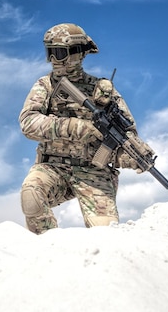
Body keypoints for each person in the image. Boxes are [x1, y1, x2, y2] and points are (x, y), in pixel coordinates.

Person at [18, 23, 145, 234]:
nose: (53, 61)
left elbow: (127, 133)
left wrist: (128, 155)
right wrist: (76, 127)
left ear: (78, 53)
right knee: (31, 194)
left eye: (59, 53)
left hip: (94, 172)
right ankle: (48, 247)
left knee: (105, 235)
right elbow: (28, 122)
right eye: (49, 53)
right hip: (53, 168)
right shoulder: (45, 86)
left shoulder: (102, 91)